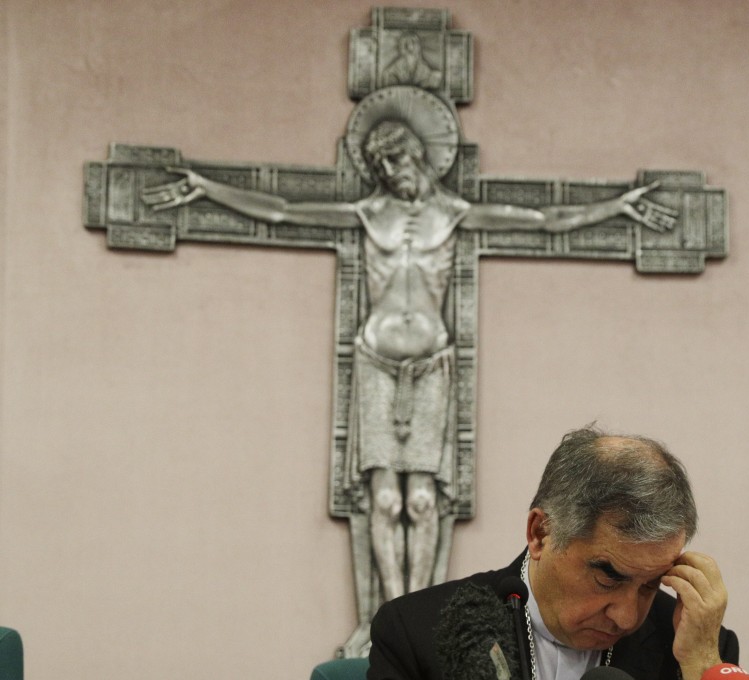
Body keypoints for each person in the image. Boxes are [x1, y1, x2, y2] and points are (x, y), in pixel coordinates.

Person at [141, 124, 664, 609]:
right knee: (386, 501)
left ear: (419, 157)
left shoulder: (453, 212)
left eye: (398, 162)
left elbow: (544, 220)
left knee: (422, 503)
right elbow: (281, 210)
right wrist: (206, 189)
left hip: (431, 366)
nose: (392, 174)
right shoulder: (369, 212)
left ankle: (420, 614)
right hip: (376, 362)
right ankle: (388, 615)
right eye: (383, 167)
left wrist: (617, 206)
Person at [366, 425, 740, 680]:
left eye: (650, 584)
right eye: (608, 577)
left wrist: (703, 663)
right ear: (540, 533)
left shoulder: (691, 648)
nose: (627, 618)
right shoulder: (416, 632)